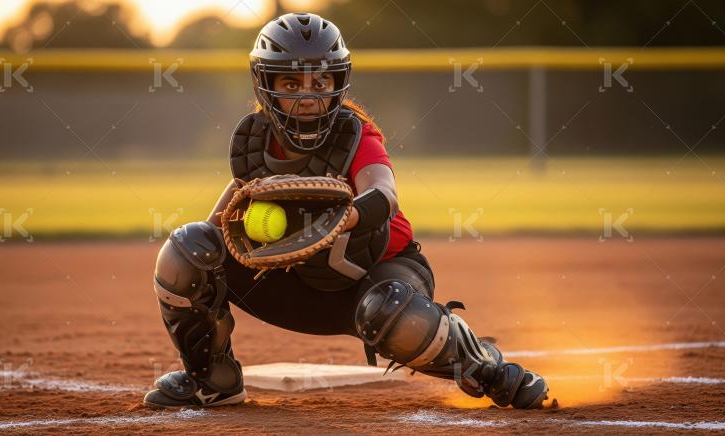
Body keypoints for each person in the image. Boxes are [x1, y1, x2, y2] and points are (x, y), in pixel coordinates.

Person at [144, 12, 548, 410]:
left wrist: (339, 220)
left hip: (373, 275)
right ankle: (212, 380)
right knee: (186, 250)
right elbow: (215, 227)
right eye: (290, 82)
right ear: (264, 85)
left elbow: (383, 194)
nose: (307, 95)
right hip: (296, 283)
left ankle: (488, 369)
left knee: (390, 312)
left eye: (321, 81)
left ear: (339, 82)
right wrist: (205, 250)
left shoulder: (356, 134)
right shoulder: (256, 144)